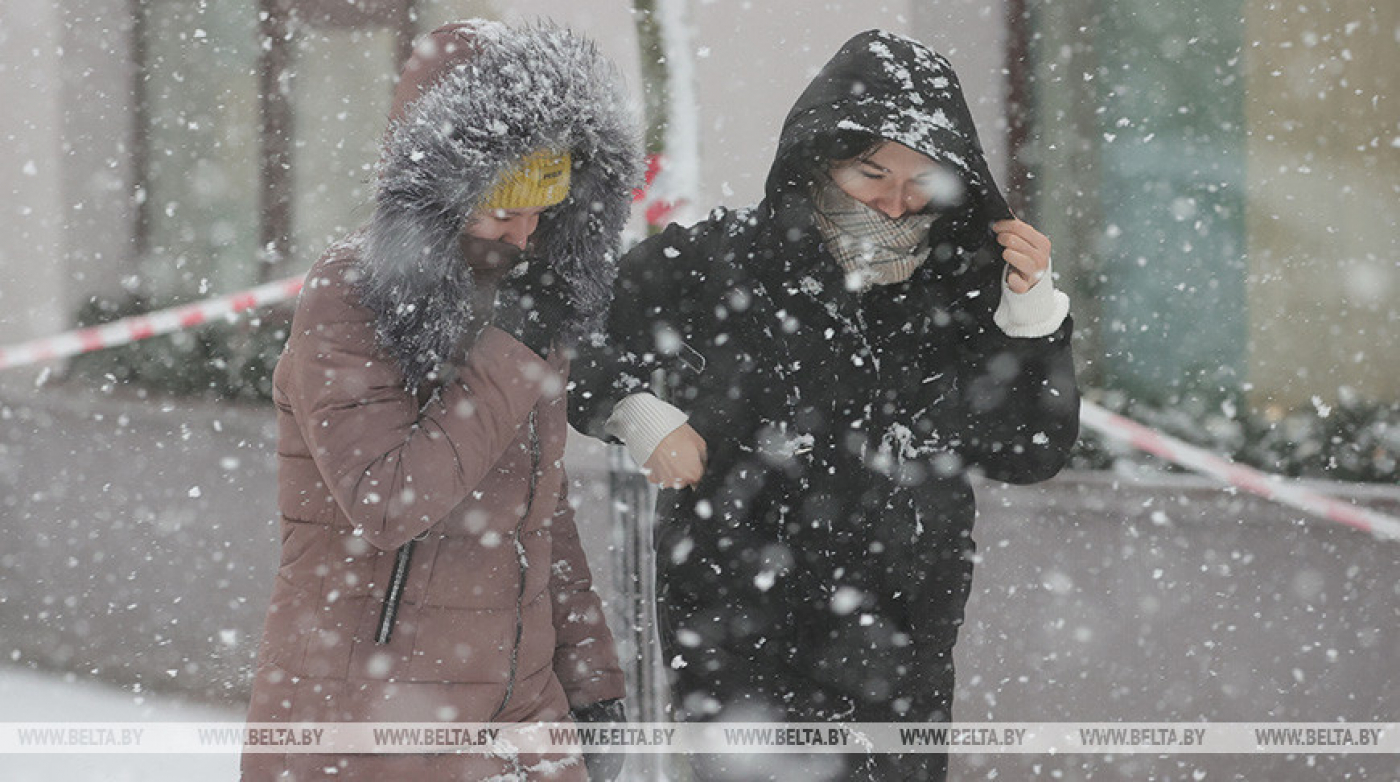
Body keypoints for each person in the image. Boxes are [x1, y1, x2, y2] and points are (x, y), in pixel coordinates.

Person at [572, 29, 1080, 781]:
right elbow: (572, 329)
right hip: (733, 635)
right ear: (818, 162)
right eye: (870, 175)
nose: (895, 204)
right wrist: (634, 412)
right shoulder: (720, 263)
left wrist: (1032, 320)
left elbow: (1029, 450)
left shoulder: (962, 287)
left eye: (921, 184)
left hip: (901, 649)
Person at [242, 20, 641, 781]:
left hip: (519, 724)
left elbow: (541, 509)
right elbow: (387, 497)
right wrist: (513, 348)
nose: (524, 239)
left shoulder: (526, 302)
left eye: (542, 212)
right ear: (438, 195)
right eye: (501, 211)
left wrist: (592, 682)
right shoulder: (349, 296)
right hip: (368, 721)